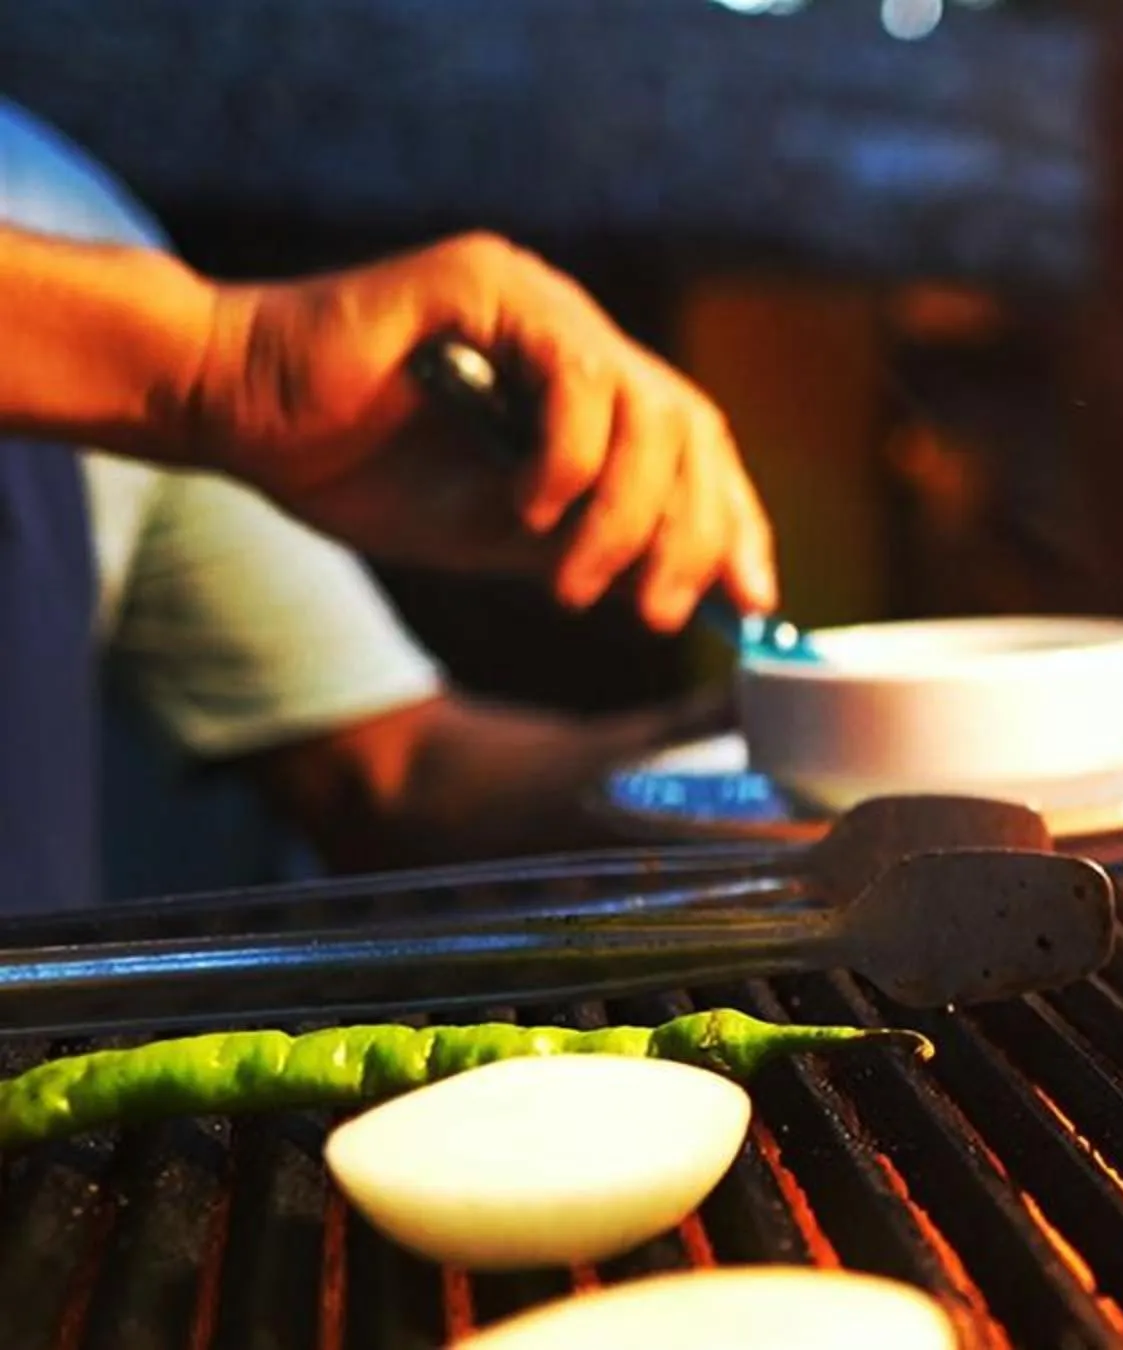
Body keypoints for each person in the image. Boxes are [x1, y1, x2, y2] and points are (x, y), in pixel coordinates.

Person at [0, 97, 776, 914]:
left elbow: (389, 773)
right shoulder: (182, 348)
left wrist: (754, 760)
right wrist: (216, 364)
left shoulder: (51, 207)